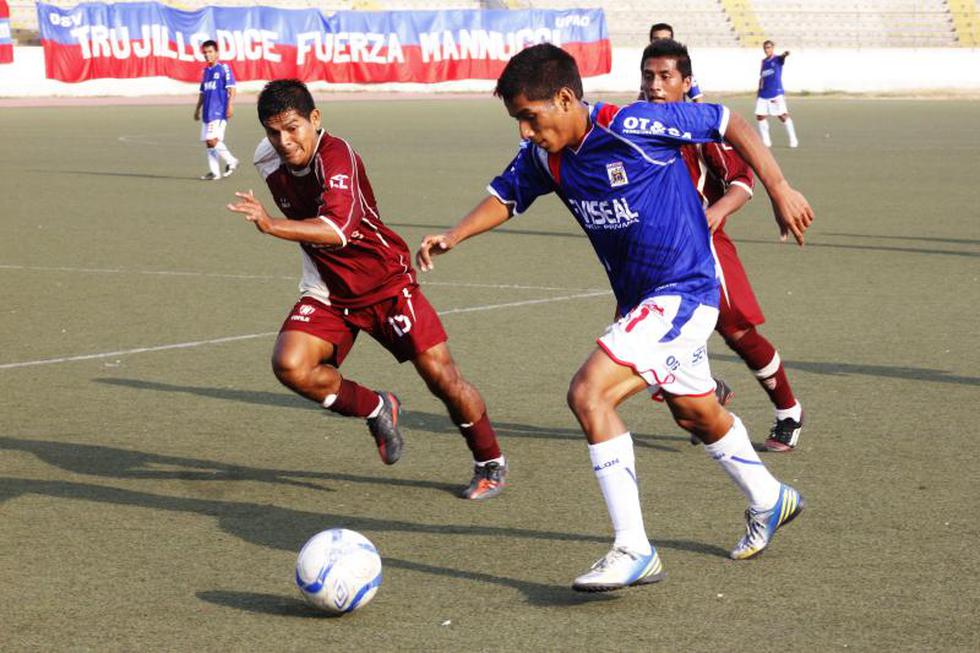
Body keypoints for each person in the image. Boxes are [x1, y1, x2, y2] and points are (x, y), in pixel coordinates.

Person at [416, 44, 812, 591]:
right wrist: (455, 233)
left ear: (564, 98)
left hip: (685, 292)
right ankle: (770, 498)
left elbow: (728, 122)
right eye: (518, 122)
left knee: (589, 393)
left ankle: (633, 548)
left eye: (530, 117)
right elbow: (507, 195)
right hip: (640, 303)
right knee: (694, 412)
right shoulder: (544, 156)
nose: (526, 132)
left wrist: (779, 187)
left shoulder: (632, 124)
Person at [226, 79, 507, 500]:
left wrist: (270, 225)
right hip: (330, 289)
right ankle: (377, 408)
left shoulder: (338, 158)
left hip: (384, 281)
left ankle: (490, 461)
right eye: (273, 131)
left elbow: (336, 229)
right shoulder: (266, 159)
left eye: (293, 128)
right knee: (291, 364)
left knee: (441, 377)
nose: (283, 141)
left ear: (315, 120)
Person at [642, 39, 804, 452]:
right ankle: (706, 392)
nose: (656, 85)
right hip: (652, 254)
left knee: (736, 332)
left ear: (686, 82)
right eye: (649, 76)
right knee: (641, 348)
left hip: (704, 245)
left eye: (666, 77)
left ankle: (788, 410)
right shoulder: (631, 124)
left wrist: (714, 213)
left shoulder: (701, 125)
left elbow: (741, 181)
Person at [194, 40, 240, 180]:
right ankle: (214, 172)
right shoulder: (206, 71)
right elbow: (203, 92)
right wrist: (197, 109)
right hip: (207, 112)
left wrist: (230, 105)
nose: (207, 55)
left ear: (217, 53)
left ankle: (232, 161)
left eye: (210, 52)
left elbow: (232, 88)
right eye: (205, 53)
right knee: (209, 142)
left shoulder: (223, 68)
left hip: (219, 111)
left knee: (212, 139)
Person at [643, 23, 703, 102]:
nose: (661, 42)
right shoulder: (647, 65)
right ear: (650, 41)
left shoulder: (678, 67)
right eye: (656, 39)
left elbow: (698, 99)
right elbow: (643, 95)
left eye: (665, 77)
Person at [756, 40, 798, 148]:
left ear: (773, 48)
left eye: (769, 47)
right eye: (765, 48)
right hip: (763, 93)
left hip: (775, 92)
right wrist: (759, 91)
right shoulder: (763, 62)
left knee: (782, 116)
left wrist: (785, 54)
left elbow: (782, 58)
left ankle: (793, 139)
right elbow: (762, 77)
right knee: (760, 116)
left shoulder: (777, 60)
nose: (767, 50)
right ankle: (766, 141)